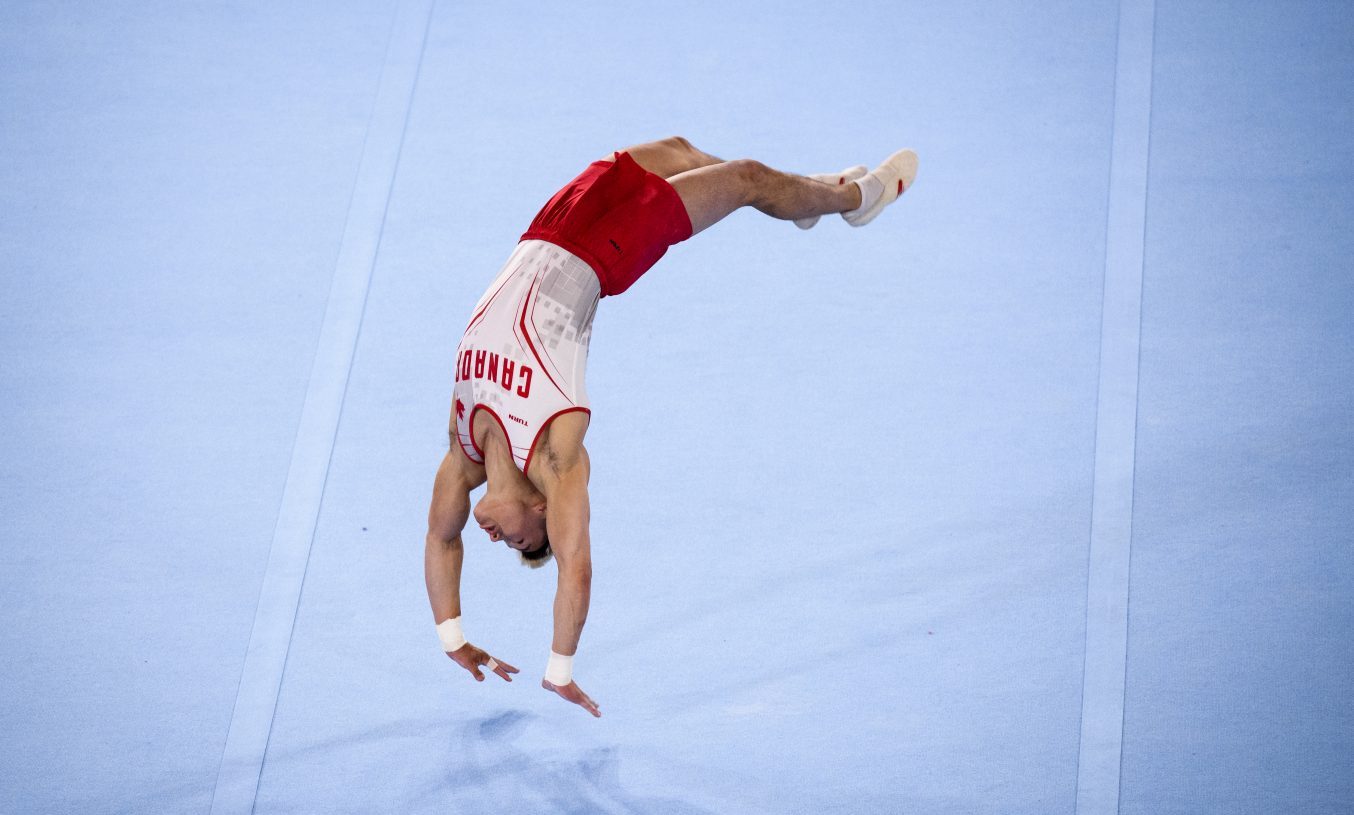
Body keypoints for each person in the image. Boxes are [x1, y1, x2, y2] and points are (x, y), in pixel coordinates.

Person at [424, 136, 919, 717]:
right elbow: (575, 568)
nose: (497, 540)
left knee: (681, 150)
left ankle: (800, 198)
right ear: (542, 512)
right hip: (602, 251)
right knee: (745, 179)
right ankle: (856, 199)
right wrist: (560, 668)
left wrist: (451, 638)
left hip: (544, 230)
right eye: (521, 543)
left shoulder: (464, 455)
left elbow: (441, 539)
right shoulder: (558, 459)